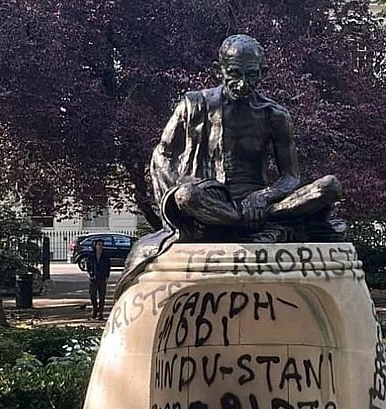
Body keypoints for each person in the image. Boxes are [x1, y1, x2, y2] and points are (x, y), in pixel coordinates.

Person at [116, 34, 344, 297]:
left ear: (263, 73)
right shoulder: (194, 105)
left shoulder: (276, 115)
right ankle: (239, 223)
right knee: (187, 196)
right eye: (234, 73)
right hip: (211, 197)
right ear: (219, 70)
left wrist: (262, 197)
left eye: (251, 75)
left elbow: (290, 176)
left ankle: (236, 223)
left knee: (329, 187)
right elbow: (163, 154)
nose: (242, 83)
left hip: (262, 204)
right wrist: (179, 187)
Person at [85, 239, 111, 320]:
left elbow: (108, 267)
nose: (100, 246)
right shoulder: (91, 255)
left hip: (102, 278)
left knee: (102, 296)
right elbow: (88, 265)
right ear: (95, 245)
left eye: (101, 245)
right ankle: (95, 309)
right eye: (99, 244)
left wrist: (107, 276)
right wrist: (89, 274)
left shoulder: (105, 256)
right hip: (93, 278)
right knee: (92, 295)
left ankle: (101, 313)